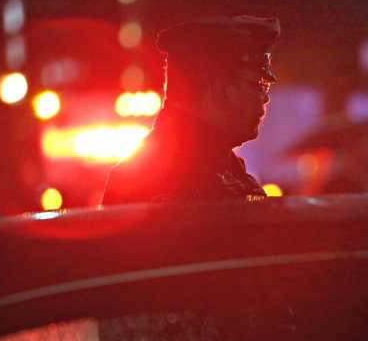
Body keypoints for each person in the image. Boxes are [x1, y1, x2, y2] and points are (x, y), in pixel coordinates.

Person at [101, 15, 280, 205]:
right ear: (222, 92)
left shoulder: (215, 165)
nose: (265, 96)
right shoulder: (161, 179)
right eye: (258, 84)